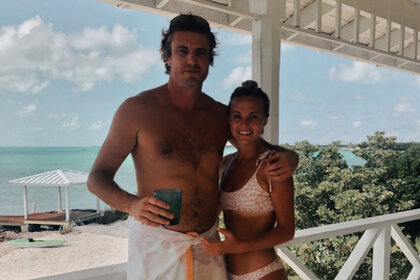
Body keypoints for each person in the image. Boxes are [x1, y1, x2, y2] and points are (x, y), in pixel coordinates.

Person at [87, 14, 297, 280]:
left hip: (209, 244)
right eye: (182, 51)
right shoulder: (137, 110)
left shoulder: (219, 116)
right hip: (158, 244)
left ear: (210, 59)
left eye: (201, 53)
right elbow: (97, 178)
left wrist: (291, 156)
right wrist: (132, 205)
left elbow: (260, 149)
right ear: (167, 57)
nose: (191, 60)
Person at [201, 81, 295, 280]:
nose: (244, 124)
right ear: (229, 120)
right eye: (237, 116)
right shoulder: (226, 164)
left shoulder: (272, 167)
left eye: (253, 117)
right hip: (226, 271)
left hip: (264, 273)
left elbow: (287, 230)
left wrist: (241, 246)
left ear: (265, 121)